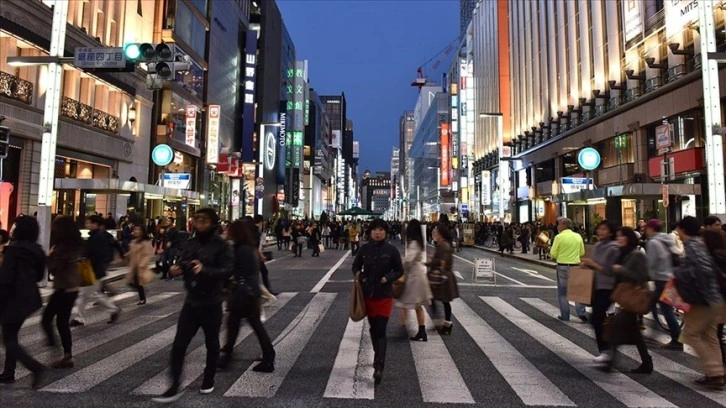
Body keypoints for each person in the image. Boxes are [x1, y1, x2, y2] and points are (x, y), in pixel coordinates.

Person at [151, 208, 234, 403]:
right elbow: (182, 262)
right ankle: (174, 384)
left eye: (204, 221)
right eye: (197, 221)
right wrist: (176, 269)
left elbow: (227, 270)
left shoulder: (222, 246)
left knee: (212, 343)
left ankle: (209, 377)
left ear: (213, 223)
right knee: (179, 344)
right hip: (192, 301)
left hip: (212, 301)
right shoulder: (190, 243)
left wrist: (204, 269)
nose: (200, 224)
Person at [674, 216, 725, 389]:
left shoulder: (693, 246)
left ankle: (715, 372)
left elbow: (701, 271)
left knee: (690, 334)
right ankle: (716, 373)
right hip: (714, 298)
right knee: (711, 337)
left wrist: (679, 273)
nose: (677, 234)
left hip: (703, 300)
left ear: (683, 229)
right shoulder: (700, 244)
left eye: (678, 230)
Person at [218, 219, 275, 373]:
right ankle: (227, 355)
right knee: (235, 325)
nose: (227, 231)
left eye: (229, 230)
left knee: (248, 325)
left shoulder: (241, 249)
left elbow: (236, 272)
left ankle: (268, 357)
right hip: (248, 293)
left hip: (244, 295)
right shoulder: (246, 248)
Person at [351, 219, 403, 385]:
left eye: (381, 229)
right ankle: (377, 353)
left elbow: (399, 270)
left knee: (381, 329)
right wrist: (363, 277)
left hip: (385, 295)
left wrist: (387, 278)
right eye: (375, 229)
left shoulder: (391, 250)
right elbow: (355, 267)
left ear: (386, 232)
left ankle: (379, 366)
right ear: (370, 232)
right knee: (374, 329)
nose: (378, 232)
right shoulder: (364, 249)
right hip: (368, 295)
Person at [0, 216, 47, 387]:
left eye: (15, 226)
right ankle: (8, 372)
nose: (12, 229)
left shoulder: (12, 250)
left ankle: (35, 367)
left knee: (8, 339)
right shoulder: (38, 250)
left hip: (11, 298)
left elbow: (5, 279)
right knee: (11, 335)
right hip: (29, 298)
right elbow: (40, 276)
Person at [602, 226, 653, 374]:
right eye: (617, 236)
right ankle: (646, 362)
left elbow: (644, 276)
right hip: (624, 296)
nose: (618, 239)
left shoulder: (637, 254)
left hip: (634, 297)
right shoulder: (621, 253)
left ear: (629, 238)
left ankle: (610, 361)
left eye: (621, 236)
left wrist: (621, 270)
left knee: (617, 326)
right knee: (634, 332)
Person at [42, 216, 84, 369]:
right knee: (62, 322)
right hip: (73, 288)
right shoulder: (77, 245)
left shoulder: (61, 248)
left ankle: (56, 350)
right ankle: (67, 355)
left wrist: (49, 255)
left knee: (47, 319)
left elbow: (54, 269)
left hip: (63, 288)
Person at [70, 215, 121, 326]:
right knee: (91, 294)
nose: (87, 225)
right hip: (93, 270)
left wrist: (87, 262)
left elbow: (98, 255)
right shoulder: (94, 236)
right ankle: (113, 309)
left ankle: (80, 318)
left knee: (85, 295)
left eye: (89, 223)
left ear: (95, 224)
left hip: (93, 271)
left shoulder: (98, 237)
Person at [580, 221, 619, 363]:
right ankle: (606, 350)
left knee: (597, 318)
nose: (600, 231)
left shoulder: (614, 248)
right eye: (599, 229)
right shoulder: (597, 246)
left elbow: (610, 270)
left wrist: (593, 264)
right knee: (598, 318)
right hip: (598, 286)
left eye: (604, 229)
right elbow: (597, 267)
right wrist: (587, 266)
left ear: (610, 232)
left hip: (609, 287)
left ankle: (607, 350)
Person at [643, 219, 682, 350]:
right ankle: (654, 333)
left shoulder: (653, 242)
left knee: (664, 308)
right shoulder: (666, 239)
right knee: (662, 306)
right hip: (670, 277)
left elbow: (651, 262)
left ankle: (676, 338)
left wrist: (645, 274)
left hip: (661, 279)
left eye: (647, 228)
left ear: (651, 229)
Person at [397, 219, 433, 341]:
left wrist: (399, 266)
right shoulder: (420, 243)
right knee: (417, 305)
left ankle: (403, 328)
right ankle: (421, 331)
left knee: (403, 302)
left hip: (413, 278)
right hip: (419, 276)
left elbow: (408, 261)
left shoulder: (413, 243)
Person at [550, 217, 587, 322]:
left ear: (564, 225)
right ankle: (581, 313)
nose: (557, 226)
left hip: (562, 266)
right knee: (577, 291)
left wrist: (558, 255)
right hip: (575, 266)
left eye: (559, 224)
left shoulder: (559, 237)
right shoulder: (578, 236)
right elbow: (582, 252)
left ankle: (565, 316)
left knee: (563, 293)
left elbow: (553, 253)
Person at [428, 224, 459, 335]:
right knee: (444, 301)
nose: (434, 235)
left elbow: (442, 261)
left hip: (442, 277)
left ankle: (443, 323)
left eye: (435, 233)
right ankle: (445, 324)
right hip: (445, 276)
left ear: (440, 234)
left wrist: (429, 262)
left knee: (434, 298)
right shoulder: (443, 244)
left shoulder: (443, 245)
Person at [126, 224, 154, 305]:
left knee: (138, 282)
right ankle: (142, 296)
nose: (135, 231)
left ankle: (142, 299)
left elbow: (147, 254)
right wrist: (126, 255)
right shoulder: (133, 242)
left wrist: (142, 264)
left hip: (140, 266)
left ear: (142, 232)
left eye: (138, 229)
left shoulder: (145, 242)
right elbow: (131, 252)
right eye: (135, 229)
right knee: (131, 282)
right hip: (133, 265)